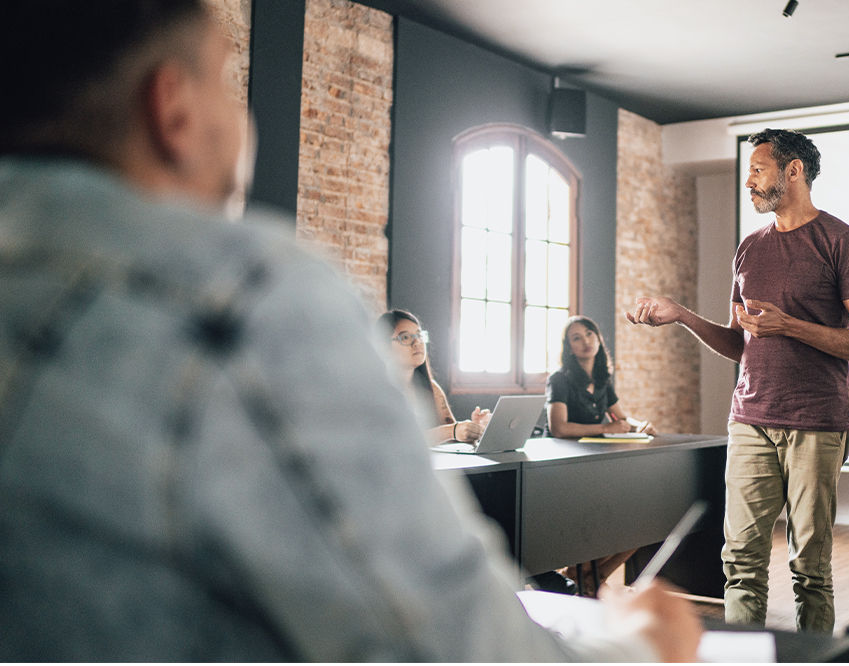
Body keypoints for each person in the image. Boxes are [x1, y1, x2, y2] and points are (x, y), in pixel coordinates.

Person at [0, 0, 703, 661]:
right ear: (172, 107)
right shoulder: (242, 300)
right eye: (225, 81)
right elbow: (452, 643)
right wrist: (640, 644)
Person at [626, 128, 849, 633]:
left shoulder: (843, 242)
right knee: (740, 560)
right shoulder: (749, 249)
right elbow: (739, 344)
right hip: (750, 419)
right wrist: (682, 315)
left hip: (817, 422)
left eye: (758, 170)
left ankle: (812, 659)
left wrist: (790, 325)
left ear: (793, 171)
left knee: (810, 567)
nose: (748, 181)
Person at [545, 316, 657, 597]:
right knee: (602, 525)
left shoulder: (603, 379)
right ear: (569, 347)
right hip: (565, 468)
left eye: (589, 334)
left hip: (598, 465)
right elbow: (558, 428)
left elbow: (621, 417)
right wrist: (605, 428)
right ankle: (582, 578)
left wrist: (641, 425)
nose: (585, 341)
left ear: (598, 338)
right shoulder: (559, 379)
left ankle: (587, 579)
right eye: (576, 338)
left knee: (644, 523)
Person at [377, 309, 489, 444]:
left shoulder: (432, 388)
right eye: (405, 337)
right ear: (384, 348)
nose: (417, 342)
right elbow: (398, 440)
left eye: (419, 335)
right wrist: (451, 431)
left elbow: (453, 437)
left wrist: (474, 429)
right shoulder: (378, 390)